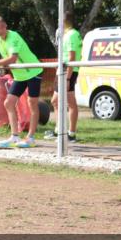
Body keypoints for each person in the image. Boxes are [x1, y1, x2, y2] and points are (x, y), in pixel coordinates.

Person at [0, 16, 43, 148]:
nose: (0, 30)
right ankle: (14, 136)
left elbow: (12, 59)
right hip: (19, 75)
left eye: (2, 27)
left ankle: (30, 138)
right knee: (9, 103)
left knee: (32, 103)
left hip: (33, 71)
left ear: (6, 25)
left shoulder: (14, 36)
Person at [45, 11, 81, 142]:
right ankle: (59, 130)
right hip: (61, 70)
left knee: (70, 102)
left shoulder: (72, 35)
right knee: (55, 101)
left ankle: (71, 134)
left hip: (68, 71)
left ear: (64, 20)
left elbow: (71, 57)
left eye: (59, 19)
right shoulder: (65, 34)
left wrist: (67, 78)